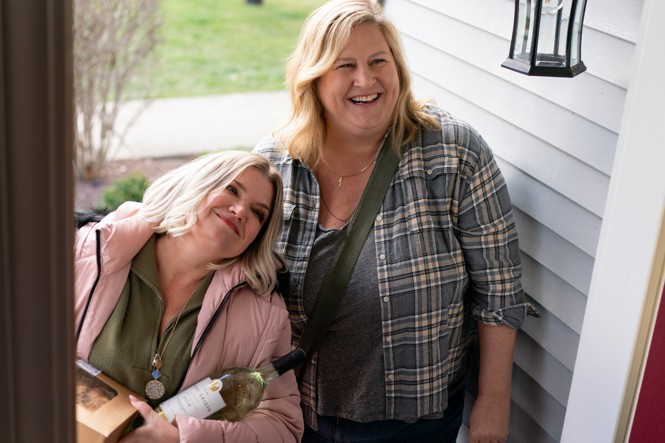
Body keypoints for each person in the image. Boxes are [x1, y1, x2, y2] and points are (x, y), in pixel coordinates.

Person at [254, 1, 539, 442]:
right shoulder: (275, 165)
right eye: (344, 65)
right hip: (297, 414)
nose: (365, 80)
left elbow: (499, 291)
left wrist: (494, 400)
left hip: (417, 424)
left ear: (398, 67)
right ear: (314, 77)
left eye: (377, 61)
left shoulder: (453, 153)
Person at [73, 151, 304, 443]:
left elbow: (281, 426)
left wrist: (182, 437)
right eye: (232, 189)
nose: (241, 211)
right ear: (199, 183)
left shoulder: (265, 314)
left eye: (258, 213)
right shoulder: (85, 250)